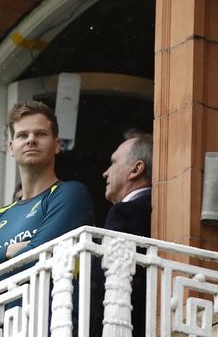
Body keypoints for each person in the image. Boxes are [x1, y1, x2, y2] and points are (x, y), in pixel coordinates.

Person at [0, 101, 94, 319]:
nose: (31, 140)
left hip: (51, 325)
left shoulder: (70, 194)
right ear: (11, 147)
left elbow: (36, 259)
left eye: (40, 134)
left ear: (57, 144)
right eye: (23, 135)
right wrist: (6, 253)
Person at [91, 129, 152, 337]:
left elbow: (105, 281)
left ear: (136, 169)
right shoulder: (160, 211)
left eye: (114, 162)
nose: (105, 172)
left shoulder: (123, 212)